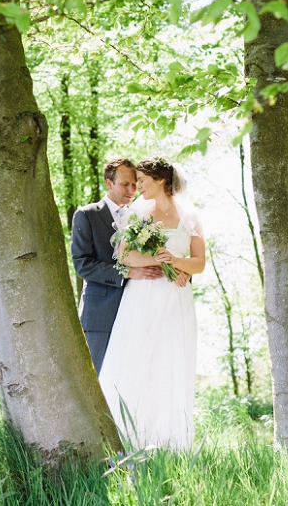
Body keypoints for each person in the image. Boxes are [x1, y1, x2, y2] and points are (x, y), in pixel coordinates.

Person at [99, 157, 205, 451]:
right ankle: (127, 438)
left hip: (176, 301)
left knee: (170, 362)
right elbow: (123, 256)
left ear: (160, 181)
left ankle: (169, 441)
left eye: (143, 180)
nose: (138, 186)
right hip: (142, 296)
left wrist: (177, 263)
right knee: (137, 359)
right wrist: (158, 262)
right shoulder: (138, 214)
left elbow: (199, 263)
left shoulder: (191, 217)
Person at [72, 158, 164, 373]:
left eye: (135, 184)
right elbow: (82, 264)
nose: (132, 190)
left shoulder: (144, 217)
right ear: (109, 183)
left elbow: (158, 255)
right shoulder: (87, 215)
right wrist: (127, 272)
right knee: (98, 377)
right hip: (100, 314)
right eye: (125, 184)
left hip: (138, 309)